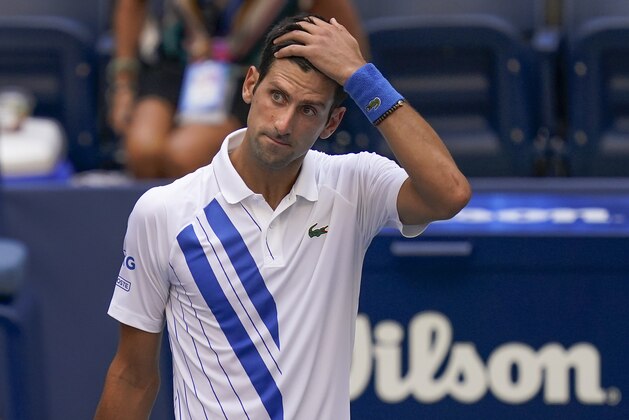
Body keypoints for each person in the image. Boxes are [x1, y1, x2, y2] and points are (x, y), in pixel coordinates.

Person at [95, 13, 471, 419]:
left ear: (332, 123)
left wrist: (362, 77)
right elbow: (133, 377)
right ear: (250, 84)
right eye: (277, 96)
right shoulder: (164, 212)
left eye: (309, 110)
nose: (283, 123)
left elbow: (448, 193)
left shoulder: (354, 186)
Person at [107, 0, 369, 178]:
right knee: (142, 150)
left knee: (183, 155)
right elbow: (132, 5)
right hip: (177, 63)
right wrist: (123, 84)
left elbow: (347, 43)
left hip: (252, 73)